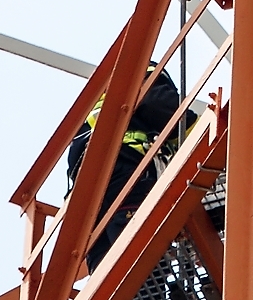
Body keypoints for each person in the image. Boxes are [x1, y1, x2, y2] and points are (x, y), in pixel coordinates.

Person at [66, 59, 191, 267]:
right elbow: (159, 104)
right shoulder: (143, 69)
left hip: (84, 190)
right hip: (123, 164)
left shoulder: (96, 104)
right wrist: (198, 129)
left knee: (105, 263)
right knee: (138, 250)